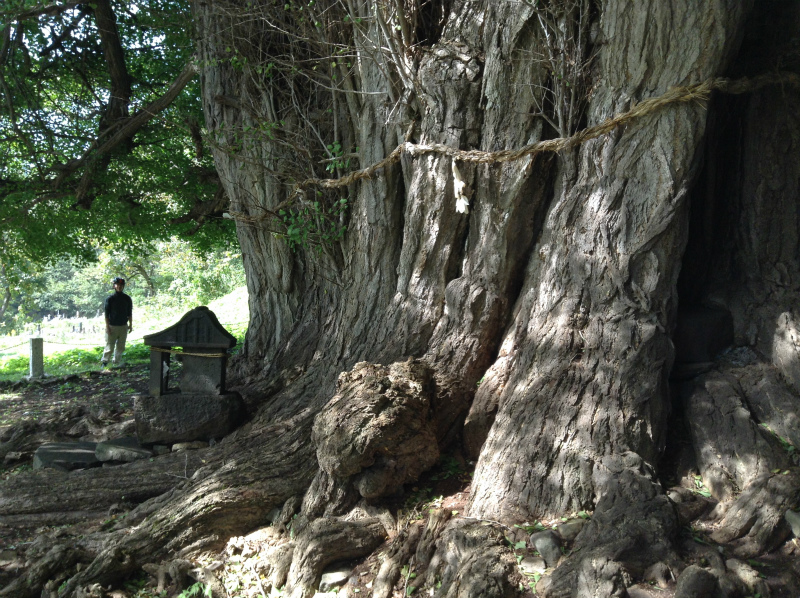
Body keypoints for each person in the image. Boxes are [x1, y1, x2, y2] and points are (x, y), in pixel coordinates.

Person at [102, 277, 133, 368]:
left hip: (123, 326)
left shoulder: (127, 298)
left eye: (121, 285)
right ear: (114, 286)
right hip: (112, 326)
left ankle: (116, 363)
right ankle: (105, 362)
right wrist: (107, 327)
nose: (119, 287)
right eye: (117, 285)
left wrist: (130, 325)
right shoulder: (110, 299)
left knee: (121, 347)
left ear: (123, 286)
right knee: (109, 346)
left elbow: (130, 313)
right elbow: (107, 315)